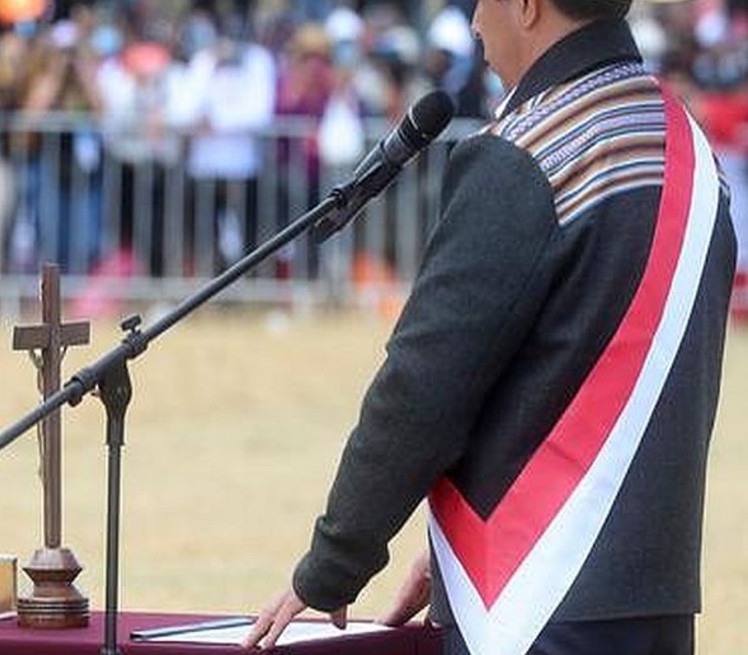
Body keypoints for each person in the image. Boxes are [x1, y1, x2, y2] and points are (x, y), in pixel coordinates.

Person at [244, 1, 737, 654]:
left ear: (527, 6)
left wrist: (335, 559)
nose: (475, 22)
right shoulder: (688, 147)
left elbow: (424, 384)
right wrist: (456, 543)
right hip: (653, 599)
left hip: (531, 604)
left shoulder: (524, 151)